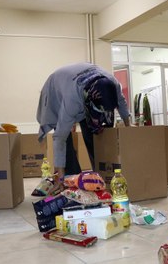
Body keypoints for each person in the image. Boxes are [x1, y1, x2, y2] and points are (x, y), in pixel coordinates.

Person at [37, 62, 130, 193]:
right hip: (56, 89)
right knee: (65, 136)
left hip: (83, 89)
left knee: (96, 135)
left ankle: (100, 174)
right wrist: (60, 173)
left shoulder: (113, 84)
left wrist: (128, 127)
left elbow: (121, 103)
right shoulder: (72, 101)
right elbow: (59, 138)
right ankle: (70, 180)